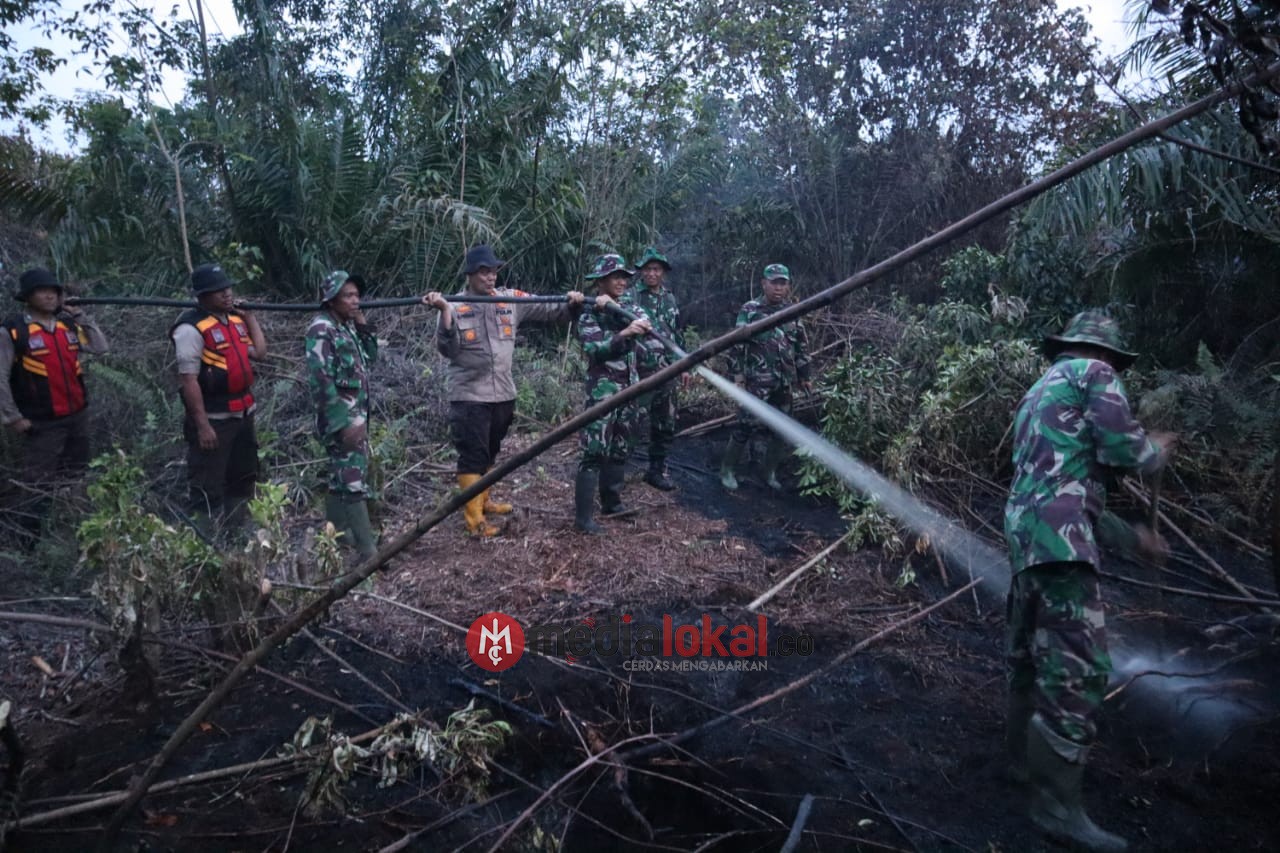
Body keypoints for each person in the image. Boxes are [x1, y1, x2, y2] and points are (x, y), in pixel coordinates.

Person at [1004, 310, 1175, 853]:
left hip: (1029, 537)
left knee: (1030, 657)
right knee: (1077, 669)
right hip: (1061, 545)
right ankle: (1056, 809)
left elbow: (1066, 490)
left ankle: (1020, 766)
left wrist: (1136, 539)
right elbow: (1125, 449)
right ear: (1104, 354)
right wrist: (1155, 452)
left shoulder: (1038, 392)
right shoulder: (1093, 373)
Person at [424, 245, 586, 537]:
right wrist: (444, 311)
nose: (490, 277)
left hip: (502, 393)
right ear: (470, 275)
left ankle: (484, 501)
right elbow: (447, 349)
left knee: (490, 451)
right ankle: (474, 521)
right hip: (470, 396)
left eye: (494, 271)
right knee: (472, 456)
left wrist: (572, 302)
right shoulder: (454, 306)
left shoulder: (509, 300)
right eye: (484, 272)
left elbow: (550, 309)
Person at [1, 267, 109, 541]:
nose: (49, 296)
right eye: (42, 291)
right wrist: (13, 417)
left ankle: (72, 533)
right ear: (28, 296)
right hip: (41, 423)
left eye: (54, 291)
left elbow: (100, 347)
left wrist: (79, 315)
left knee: (76, 476)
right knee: (38, 484)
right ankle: (28, 543)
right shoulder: (14, 331)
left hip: (77, 417)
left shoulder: (67, 326)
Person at [171, 263, 267, 531]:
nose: (226, 294)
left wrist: (250, 318)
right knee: (207, 483)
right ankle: (204, 542)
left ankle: (236, 534)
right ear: (202, 295)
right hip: (215, 417)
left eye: (228, 288)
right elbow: (188, 380)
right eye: (218, 290)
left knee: (243, 476)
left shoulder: (235, 321)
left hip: (243, 413)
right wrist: (202, 425)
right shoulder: (190, 328)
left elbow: (260, 353)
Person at [573, 254, 652, 534]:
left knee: (621, 446)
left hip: (630, 387)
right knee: (594, 450)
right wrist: (625, 333)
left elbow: (647, 324)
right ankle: (583, 518)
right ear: (601, 281)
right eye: (615, 277)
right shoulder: (588, 313)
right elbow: (596, 349)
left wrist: (618, 311)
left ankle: (612, 502)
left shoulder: (630, 306)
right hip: (603, 390)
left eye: (624, 277)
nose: (621, 282)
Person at [305, 271, 379, 560]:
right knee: (352, 480)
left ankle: (335, 538)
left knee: (340, 480)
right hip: (342, 419)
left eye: (357, 295)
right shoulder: (321, 330)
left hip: (357, 415)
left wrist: (362, 325)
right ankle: (368, 551)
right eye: (348, 296)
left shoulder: (345, 328)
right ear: (331, 299)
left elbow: (371, 358)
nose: (355, 300)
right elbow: (320, 380)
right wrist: (342, 423)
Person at [720, 263, 810, 491]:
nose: (778, 288)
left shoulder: (792, 311)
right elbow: (736, 344)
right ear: (764, 284)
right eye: (774, 283)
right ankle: (727, 470)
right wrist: (738, 376)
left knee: (782, 428)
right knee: (745, 425)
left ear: (787, 286)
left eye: (782, 283)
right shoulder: (750, 310)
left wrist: (804, 375)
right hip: (757, 381)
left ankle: (769, 472)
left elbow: (801, 346)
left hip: (784, 380)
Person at [624, 246, 687, 490]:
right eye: (648, 269)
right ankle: (620, 472)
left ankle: (656, 471)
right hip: (640, 372)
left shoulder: (669, 299)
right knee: (632, 422)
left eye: (656, 269)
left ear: (663, 273)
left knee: (665, 424)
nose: (652, 274)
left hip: (667, 372)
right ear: (641, 272)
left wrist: (684, 365)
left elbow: (677, 334)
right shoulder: (631, 297)